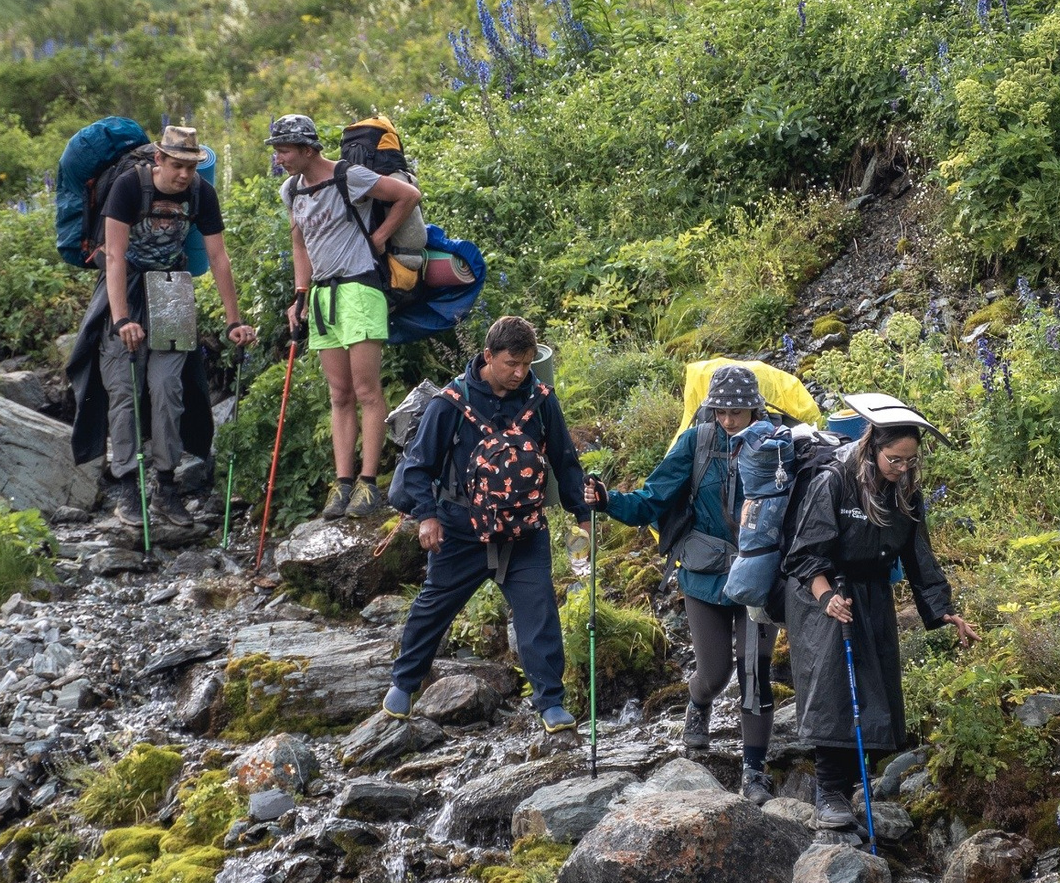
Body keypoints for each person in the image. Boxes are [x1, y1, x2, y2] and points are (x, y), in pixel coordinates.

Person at [383, 314, 600, 734]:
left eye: (527, 364)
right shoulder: (449, 403)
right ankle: (404, 684)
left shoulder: (541, 400)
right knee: (433, 607)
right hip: (460, 529)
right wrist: (427, 516)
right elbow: (417, 467)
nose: (520, 373)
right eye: (511, 364)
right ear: (488, 356)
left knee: (539, 612)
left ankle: (551, 703)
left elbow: (565, 461)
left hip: (524, 531)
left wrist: (583, 516)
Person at [596, 363, 780, 800]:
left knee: (754, 671)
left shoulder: (778, 445)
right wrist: (607, 501)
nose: (728, 420)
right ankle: (699, 704)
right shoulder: (695, 443)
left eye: (737, 412)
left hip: (759, 576)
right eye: (721, 411)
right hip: (703, 577)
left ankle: (754, 772)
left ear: (755, 409)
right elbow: (653, 498)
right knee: (715, 673)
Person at [781, 402, 958, 831]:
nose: (902, 468)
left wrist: (943, 612)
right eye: (894, 459)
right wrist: (827, 597)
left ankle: (848, 792)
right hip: (823, 590)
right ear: (873, 448)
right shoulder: (834, 481)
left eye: (910, 460)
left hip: (872, 593)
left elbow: (919, 557)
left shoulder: (906, 491)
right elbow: (804, 554)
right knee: (834, 691)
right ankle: (829, 795)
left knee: (874, 688)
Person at [268, 113, 424, 519]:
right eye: (277, 151)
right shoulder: (292, 190)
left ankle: (368, 484)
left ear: (308, 149)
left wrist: (379, 237)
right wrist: (300, 295)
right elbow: (300, 244)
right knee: (339, 394)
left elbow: (408, 195)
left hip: (360, 289)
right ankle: (342, 484)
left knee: (366, 390)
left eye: (284, 151)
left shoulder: (347, 176)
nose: (279, 158)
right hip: (323, 297)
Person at [97, 125, 255, 524]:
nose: (184, 174)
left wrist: (233, 320)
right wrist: (122, 319)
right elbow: (114, 256)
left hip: (173, 289)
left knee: (168, 387)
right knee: (125, 389)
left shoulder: (202, 192)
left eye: (191, 166)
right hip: (127, 287)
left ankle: (166, 488)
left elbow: (219, 257)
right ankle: (128, 487)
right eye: (176, 165)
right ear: (159, 159)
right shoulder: (128, 188)